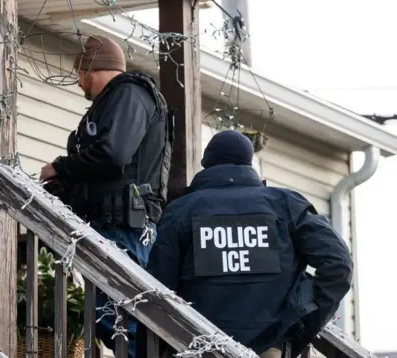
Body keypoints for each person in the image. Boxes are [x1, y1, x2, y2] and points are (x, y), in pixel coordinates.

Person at [137, 130, 353, 358]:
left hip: (199, 346)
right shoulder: (287, 205)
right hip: (268, 349)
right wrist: (301, 321)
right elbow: (338, 265)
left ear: (206, 163)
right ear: (248, 163)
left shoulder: (182, 210)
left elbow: (158, 290)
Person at [40, 35, 173, 358]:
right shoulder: (119, 100)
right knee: (112, 318)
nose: (78, 84)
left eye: (79, 74)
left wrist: (60, 167)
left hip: (124, 226)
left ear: (91, 68)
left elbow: (113, 155)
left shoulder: (129, 93)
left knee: (121, 318)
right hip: (114, 224)